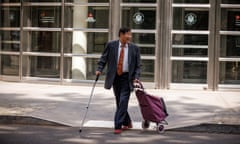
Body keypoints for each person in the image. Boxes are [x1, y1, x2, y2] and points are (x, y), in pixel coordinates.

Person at [96, 27, 141, 134]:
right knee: (119, 101)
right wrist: (99, 69)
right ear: (121, 34)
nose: (130, 37)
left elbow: (138, 65)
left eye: (130, 34)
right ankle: (127, 122)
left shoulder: (134, 48)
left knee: (123, 101)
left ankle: (118, 125)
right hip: (115, 77)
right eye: (128, 34)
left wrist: (136, 77)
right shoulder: (111, 45)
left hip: (127, 78)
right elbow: (104, 58)